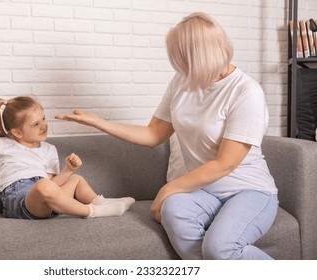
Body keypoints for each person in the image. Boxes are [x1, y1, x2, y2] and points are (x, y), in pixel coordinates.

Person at [55, 12, 278, 260]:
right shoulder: (182, 81)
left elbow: (225, 163)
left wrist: (167, 189)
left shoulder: (246, 92)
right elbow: (153, 134)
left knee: (219, 248)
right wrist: (101, 123)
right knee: (174, 211)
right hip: (203, 192)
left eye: (181, 58)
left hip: (249, 191)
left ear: (199, 56)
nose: (177, 65)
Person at [0, 96, 135, 220]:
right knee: (44, 185)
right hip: (20, 201)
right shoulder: (1, 144)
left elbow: (55, 185)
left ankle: (100, 201)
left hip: (48, 200)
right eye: (36, 124)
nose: (44, 126)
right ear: (17, 132)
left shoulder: (49, 149)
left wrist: (69, 170)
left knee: (76, 179)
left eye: (43, 118)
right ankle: (92, 211)